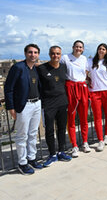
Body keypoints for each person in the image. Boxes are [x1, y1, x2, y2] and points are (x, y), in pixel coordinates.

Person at [4, 44, 43, 175]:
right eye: (30, 52)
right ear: (26, 53)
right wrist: (11, 107)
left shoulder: (36, 69)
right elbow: (8, 88)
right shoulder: (18, 68)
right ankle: (22, 162)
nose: (33, 54)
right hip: (24, 105)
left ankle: (32, 158)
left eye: (36, 52)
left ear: (38, 54)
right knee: (22, 135)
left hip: (37, 103)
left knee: (33, 134)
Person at [38, 46, 72, 166]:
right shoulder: (42, 68)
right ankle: (52, 154)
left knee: (62, 128)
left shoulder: (63, 67)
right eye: (53, 53)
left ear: (60, 55)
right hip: (48, 103)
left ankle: (61, 151)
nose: (55, 56)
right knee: (49, 130)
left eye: (58, 54)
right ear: (49, 54)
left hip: (62, 102)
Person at [61, 40, 91, 158]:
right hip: (71, 88)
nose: (78, 48)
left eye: (80, 47)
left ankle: (85, 142)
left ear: (83, 49)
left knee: (84, 118)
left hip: (82, 87)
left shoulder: (85, 59)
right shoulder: (65, 58)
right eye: (76, 46)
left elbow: (87, 73)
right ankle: (74, 145)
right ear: (73, 47)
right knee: (71, 117)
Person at [87, 43, 107, 151]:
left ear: (106, 51)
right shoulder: (91, 62)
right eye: (100, 48)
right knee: (97, 117)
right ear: (97, 50)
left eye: (104, 49)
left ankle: (106, 135)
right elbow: (85, 73)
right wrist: (88, 79)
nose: (101, 50)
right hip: (95, 92)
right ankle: (100, 140)